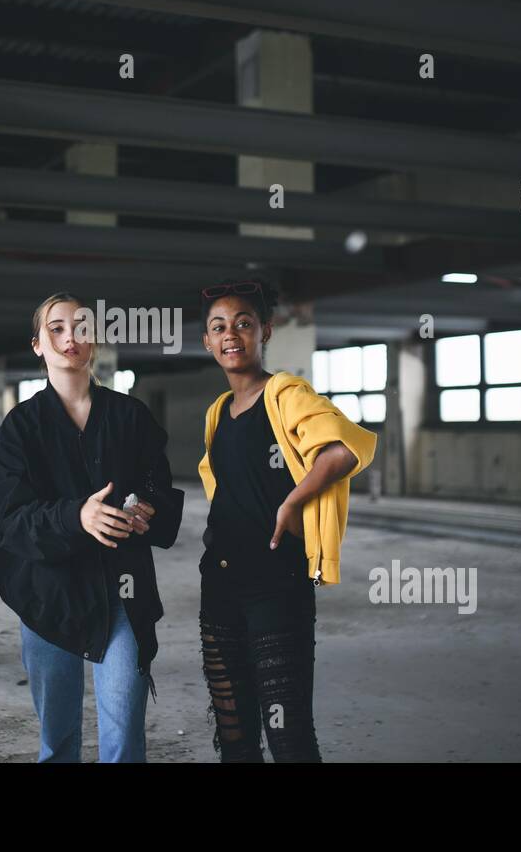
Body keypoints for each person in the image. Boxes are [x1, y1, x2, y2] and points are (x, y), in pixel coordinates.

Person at [0, 292, 184, 762]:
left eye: (81, 326)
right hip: (48, 594)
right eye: (56, 328)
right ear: (37, 344)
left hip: (122, 591)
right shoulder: (20, 429)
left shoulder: (129, 416)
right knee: (58, 740)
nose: (70, 337)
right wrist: (77, 516)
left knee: (124, 734)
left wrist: (147, 510)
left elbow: (160, 487)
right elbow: (10, 520)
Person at [196, 278, 377, 762]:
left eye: (243, 323)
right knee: (234, 733)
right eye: (219, 327)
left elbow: (342, 449)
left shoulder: (285, 393)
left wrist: (294, 501)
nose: (231, 333)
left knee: (288, 731)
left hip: (276, 584)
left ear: (265, 331)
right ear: (208, 341)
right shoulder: (216, 412)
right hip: (220, 584)